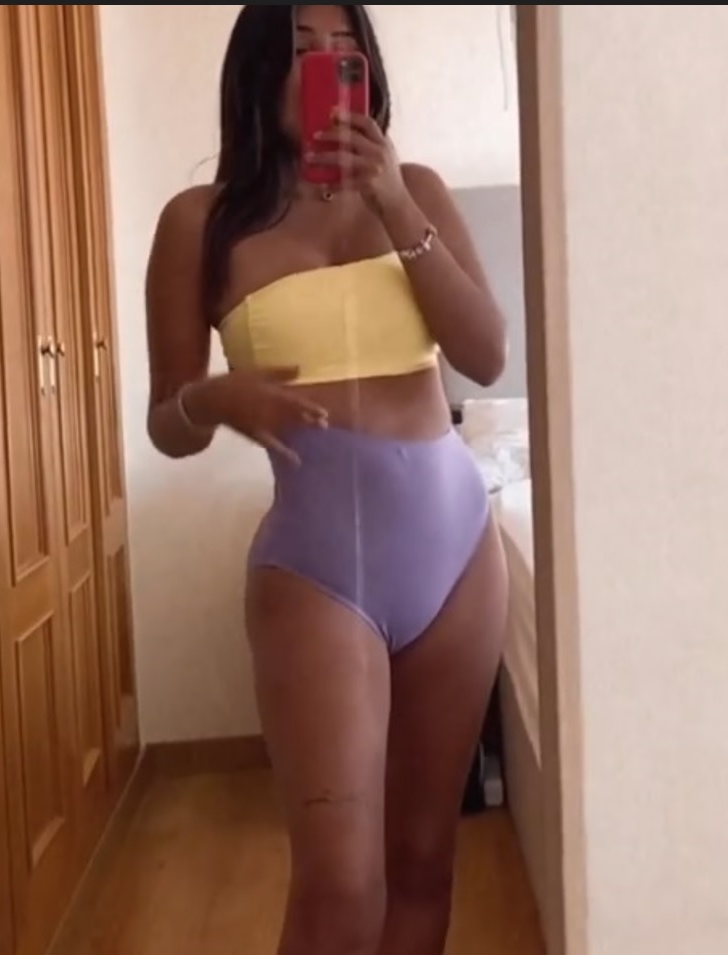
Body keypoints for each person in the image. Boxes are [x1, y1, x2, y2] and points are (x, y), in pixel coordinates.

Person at [145, 6, 509, 954]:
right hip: (316, 571)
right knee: (340, 887)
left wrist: (395, 205)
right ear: (257, 68)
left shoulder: (416, 189)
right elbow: (166, 425)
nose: (326, 63)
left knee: (425, 861)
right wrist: (214, 398)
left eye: (345, 47)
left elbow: (484, 355)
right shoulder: (199, 222)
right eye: (301, 48)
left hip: (458, 554)